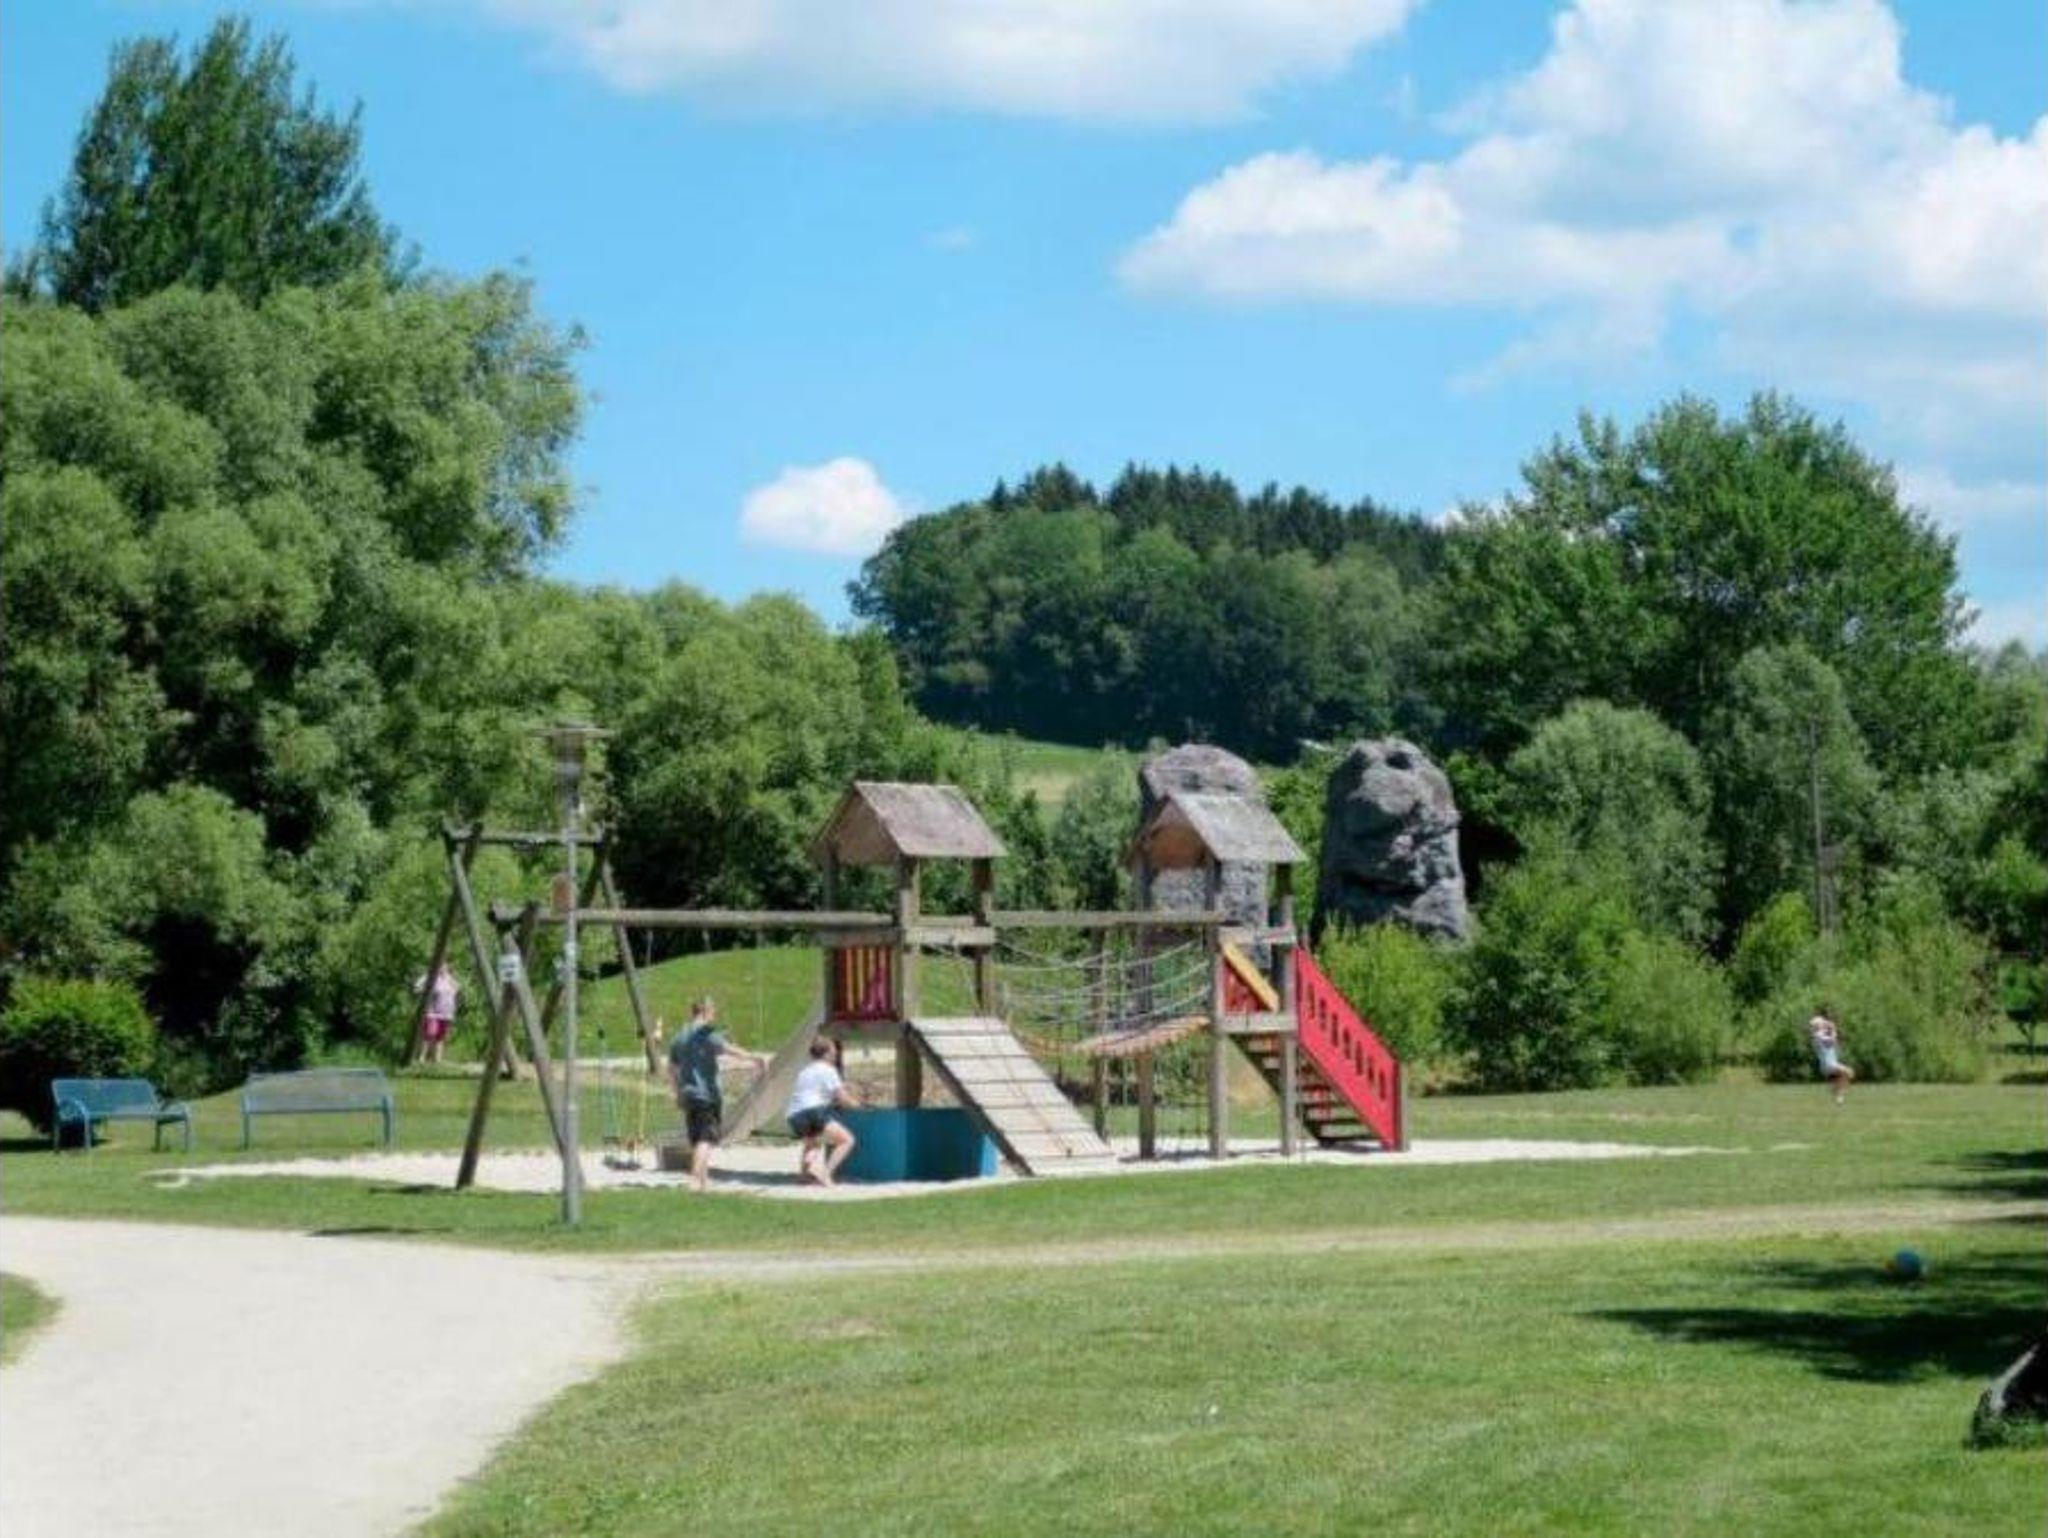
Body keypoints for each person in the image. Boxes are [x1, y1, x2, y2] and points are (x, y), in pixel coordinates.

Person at [667, 997, 769, 1193]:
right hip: (707, 1094)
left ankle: (704, 1183)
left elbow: (671, 1069)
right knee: (706, 1139)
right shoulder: (706, 1034)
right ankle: (694, 1179)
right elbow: (729, 1049)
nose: (714, 1016)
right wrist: (754, 1058)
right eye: (713, 1012)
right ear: (705, 1012)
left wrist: (677, 1093)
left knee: (697, 1140)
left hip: (688, 1094)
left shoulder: (679, 1037)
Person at [786, 1039, 859, 1187]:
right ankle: (826, 1175)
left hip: (794, 1114)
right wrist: (856, 1105)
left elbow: (814, 1093)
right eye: (833, 1051)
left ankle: (803, 1176)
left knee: (813, 1143)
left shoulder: (805, 1071)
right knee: (847, 1140)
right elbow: (842, 1098)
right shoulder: (828, 1070)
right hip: (812, 1111)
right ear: (826, 1054)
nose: (836, 1054)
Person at [1808, 1004, 1855, 1103]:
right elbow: (1831, 1041)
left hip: (1826, 1065)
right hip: (1829, 1064)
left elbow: (1832, 1040)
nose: (1823, 1025)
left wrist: (1832, 1029)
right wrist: (1833, 1030)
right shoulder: (1818, 1035)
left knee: (1840, 1077)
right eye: (1821, 1024)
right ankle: (1838, 1092)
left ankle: (1838, 1094)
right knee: (1849, 1072)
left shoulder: (1818, 1035)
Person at [418, 962, 459, 1066]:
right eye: (441, 966)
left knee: (440, 1036)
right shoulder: (430, 977)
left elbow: (457, 988)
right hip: (433, 1012)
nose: (443, 968)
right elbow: (418, 987)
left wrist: (451, 982)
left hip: (446, 1013)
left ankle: (437, 1059)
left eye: (445, 966)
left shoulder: (449, 979)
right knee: (429, 1034)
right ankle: (422, 1057)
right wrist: (426, 992)